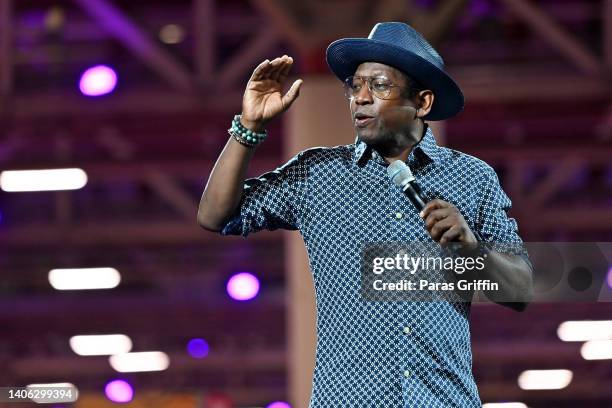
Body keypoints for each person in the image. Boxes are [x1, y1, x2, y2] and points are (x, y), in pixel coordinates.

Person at [198, 22, 533, 408]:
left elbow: (520, 290)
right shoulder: (317, 175)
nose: (361, 98)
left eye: (379, 85)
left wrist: (471, 250)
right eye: (355, 86)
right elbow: (216, 215)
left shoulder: (472, 178)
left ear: (422, 103)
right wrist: (249, 127)